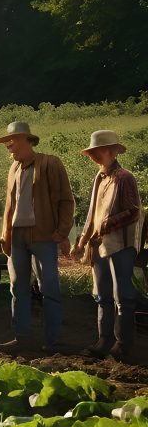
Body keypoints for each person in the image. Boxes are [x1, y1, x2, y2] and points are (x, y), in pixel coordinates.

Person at [0, 120, 74, 352]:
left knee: (48, 287)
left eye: (12, 140)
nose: (8, 145)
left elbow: (66, 200)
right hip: (17, 236)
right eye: (6, 141)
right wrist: (5, 236)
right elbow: (10, 205)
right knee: (18, 287)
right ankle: (21, 337)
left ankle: (52, 340)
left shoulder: (50, 163)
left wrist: (62, 231)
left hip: (43, 236)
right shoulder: (13, 169)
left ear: (26, 140)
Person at [73, 130, 143, 359]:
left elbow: (134, 212)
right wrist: (83, 240)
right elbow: (92, 213)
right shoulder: (100, 178)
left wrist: (108, 223)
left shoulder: (125, 177)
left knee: (122, 295)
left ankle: (123, 345)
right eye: (92, 152)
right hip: (99, 244)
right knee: (102, 295)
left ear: (112, 152)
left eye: (98, 151)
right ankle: (104, 341)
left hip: (120, 245)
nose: (94, 156)